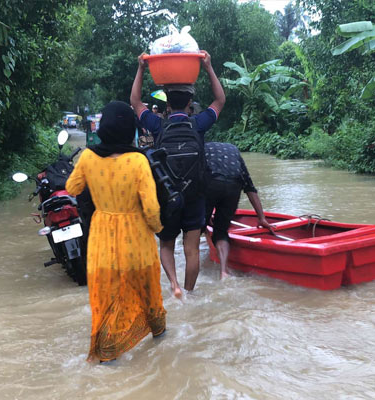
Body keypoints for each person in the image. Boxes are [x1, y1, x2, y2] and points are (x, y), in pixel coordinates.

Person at [65, 101, 166, 363]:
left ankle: (107, 351)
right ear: (129, 130)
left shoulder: (87, 157)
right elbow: (152, 208)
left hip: (102, 239)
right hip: (137, 238)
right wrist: (157, 229)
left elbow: (72, 188)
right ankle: (158, 334)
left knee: (107, 292)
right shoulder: (138, 160)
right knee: (147, 288)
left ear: (104, 128)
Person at [130, 50, 226, 298]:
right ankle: (190, 291)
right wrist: (208, 67)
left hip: (168, 196)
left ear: (168, 104)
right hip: (195, 196)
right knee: (192, 249)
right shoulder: (199, 124)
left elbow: (135, 103)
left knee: (166, 245)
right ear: (190, 103)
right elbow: (220, 101)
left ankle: (173, 285)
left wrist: (141, 69)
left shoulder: (157, 125)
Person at [204, 142, 273, 279]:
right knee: (221, 231)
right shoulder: (233, 150)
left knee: (195, 228)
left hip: (210, 182)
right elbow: (249, 186)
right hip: (233, 185)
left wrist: (203, 219)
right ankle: (224, 272)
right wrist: (261, 218)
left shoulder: (202, 148)